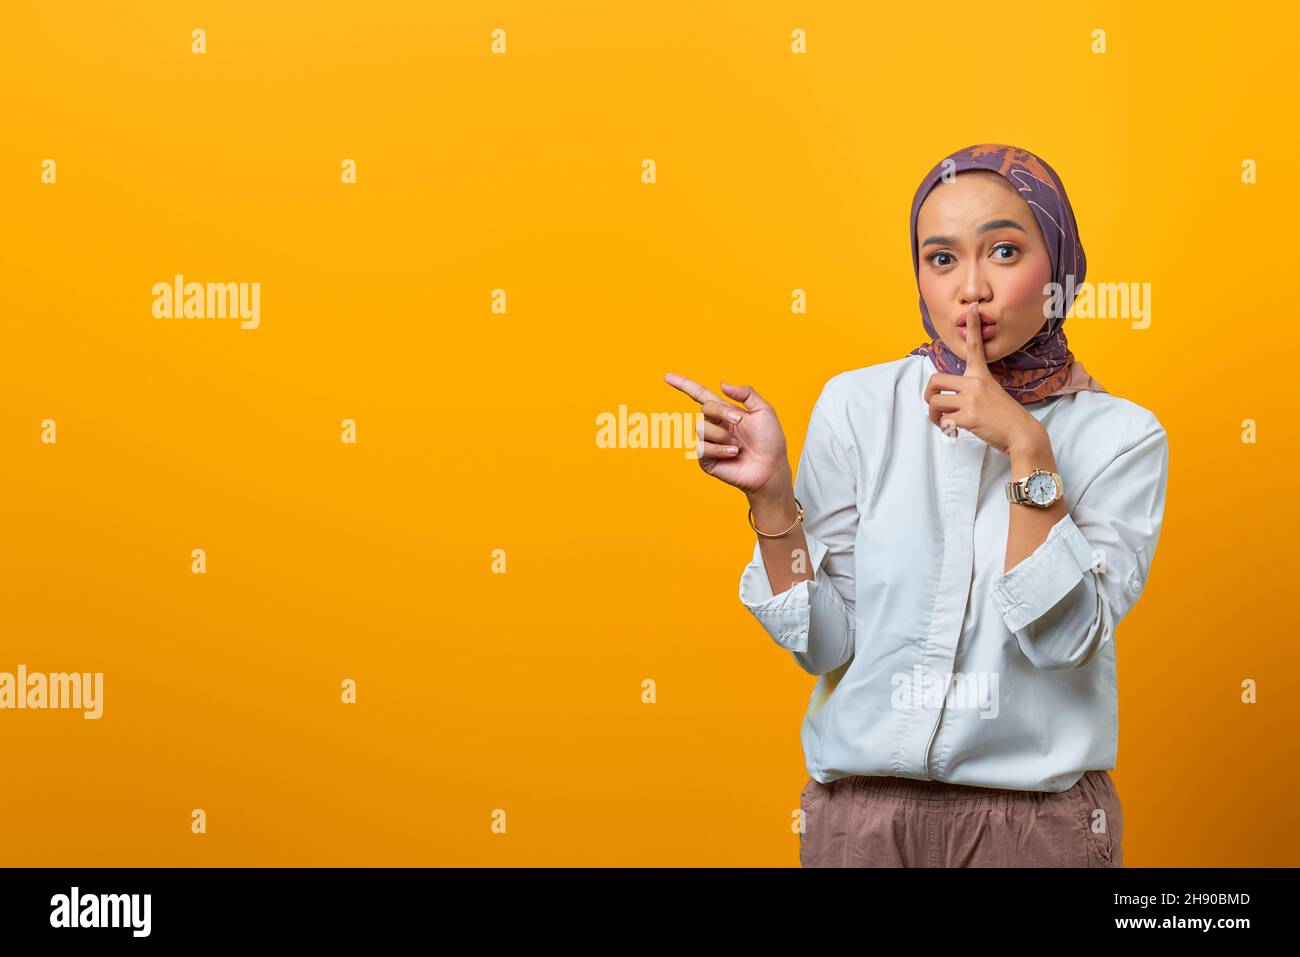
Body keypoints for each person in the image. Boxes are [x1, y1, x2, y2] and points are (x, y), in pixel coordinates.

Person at [663, 143, 1168, 867]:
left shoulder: (1124, 437)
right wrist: (773, 499)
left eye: (1002, 250)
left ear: (1058, 264)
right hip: (860, 827)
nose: (971, 289)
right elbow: (825, 645)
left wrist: (1028, 449)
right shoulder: (857, 406)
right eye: (941, 258)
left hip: (1034, 831)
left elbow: (1061, 641)